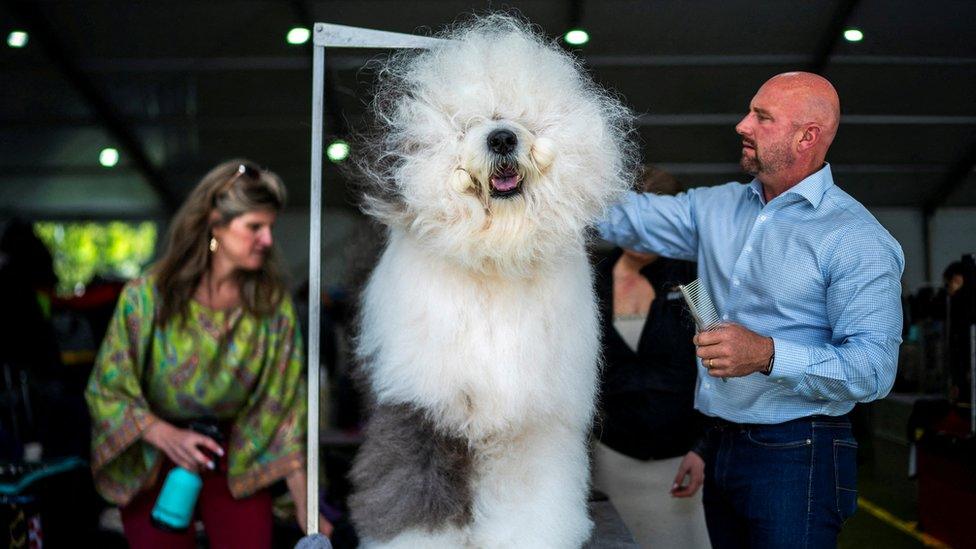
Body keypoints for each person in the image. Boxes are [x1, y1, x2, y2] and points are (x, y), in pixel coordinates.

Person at [597, 72, 904, 547]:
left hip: (799, 451)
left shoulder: (856, 238)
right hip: (723, 441)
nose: (742, 125)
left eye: (762, 117)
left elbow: (874, 370)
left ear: (807, 136)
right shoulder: (717, 207)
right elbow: (620, 217)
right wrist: (532, 168)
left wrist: (767, 353)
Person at [85, 160, 332, 548]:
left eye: (270, 227)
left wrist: (304, 501)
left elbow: (283, 409)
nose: (267, 240)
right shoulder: (146, 298)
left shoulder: (271, 306)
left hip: (239, 456)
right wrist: (165, 435)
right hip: (154, 453)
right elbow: (106, 389)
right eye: (254, 227)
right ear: (215, 223)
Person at [591, 167, 710, 547]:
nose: (640, 234)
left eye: (654, 223)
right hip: (609, 457)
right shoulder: (590, 280)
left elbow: (724, 369)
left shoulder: (695, 281)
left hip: (682, 461)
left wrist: (704, 448)